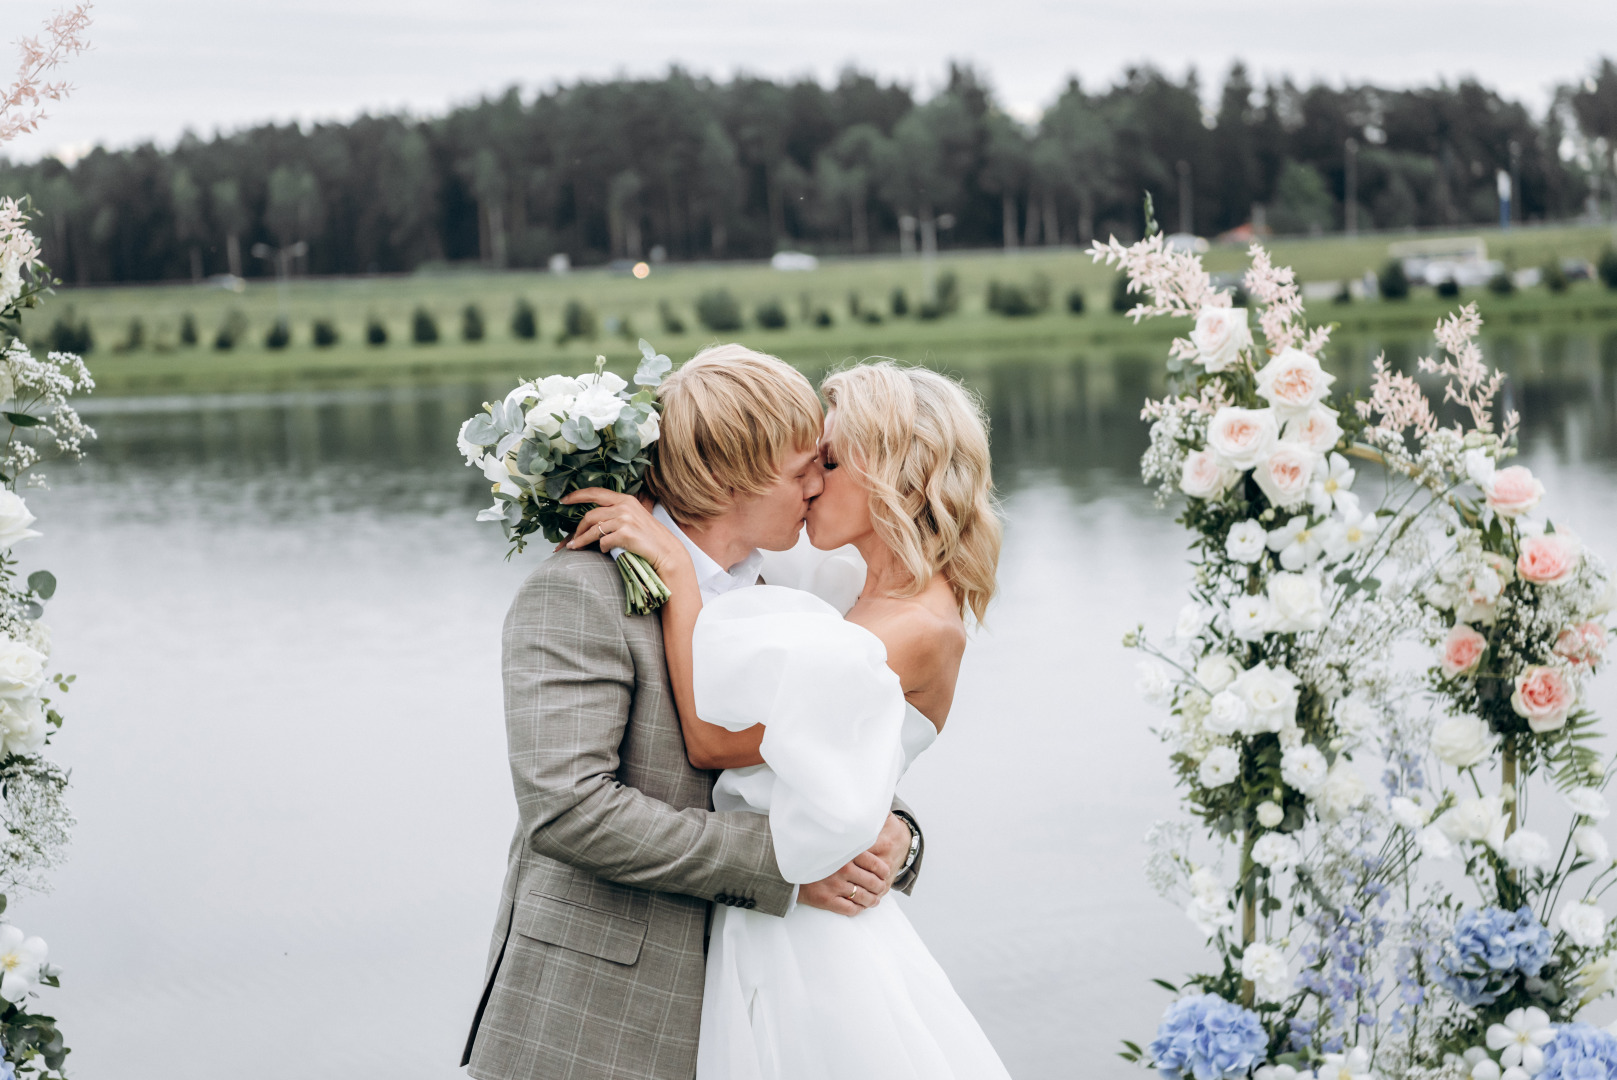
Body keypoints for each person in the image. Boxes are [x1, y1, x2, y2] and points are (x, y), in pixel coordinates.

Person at [461, 345, 923, 1080]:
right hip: (603, 1019)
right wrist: (787, 868)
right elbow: (567, 808)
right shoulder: (582, 591)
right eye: (801, 466)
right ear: (730, 476)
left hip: (758, 1010)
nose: (817, 485)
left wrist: (899, 834)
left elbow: (798, 752)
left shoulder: (775, 587)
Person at [571, 360, 1010, 1079]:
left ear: (890, 473)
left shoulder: (916, 628)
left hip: (809, 936)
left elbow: (714, 743)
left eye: (828, 463)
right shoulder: (842, 586)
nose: (810, 484)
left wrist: (679, 585)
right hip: (766, 912)